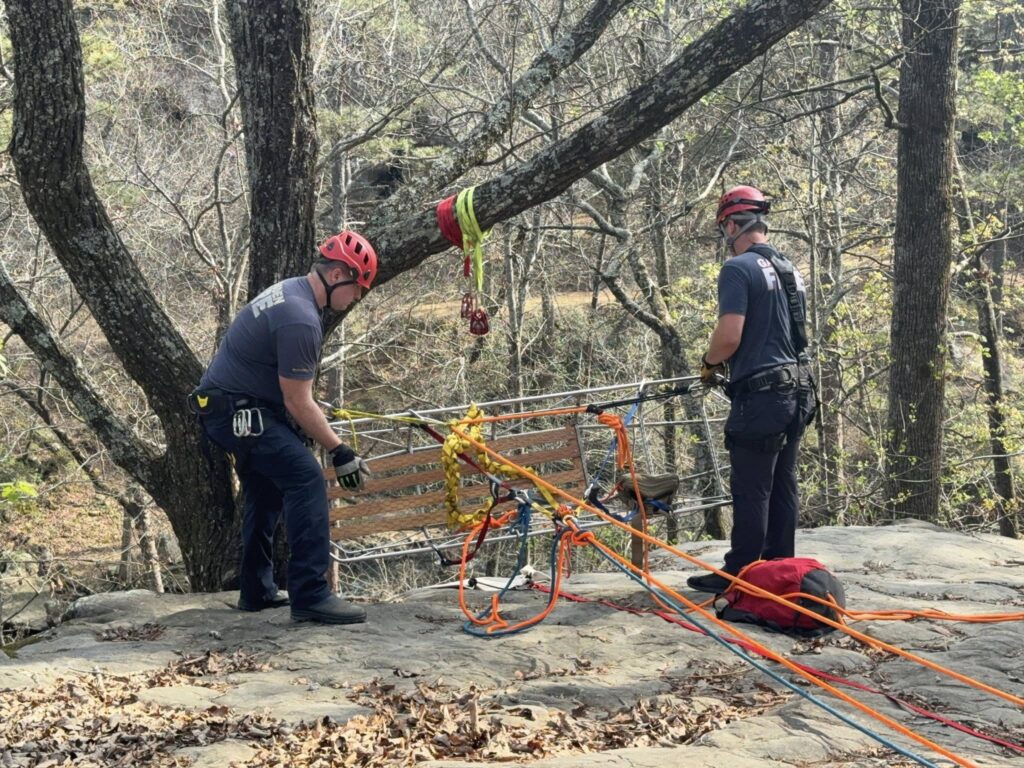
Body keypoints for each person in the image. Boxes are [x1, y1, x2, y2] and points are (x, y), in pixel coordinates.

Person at [189, 231, 377, 624]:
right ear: (339, 273)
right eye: (358, 288)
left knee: (267, 485)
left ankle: (256, 590)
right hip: (240, 412)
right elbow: (298, 401)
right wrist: (340, 451)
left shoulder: (291, 292)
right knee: (307, 478)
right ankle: (311, 594)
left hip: (233, 409)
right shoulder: (301, 318)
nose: (357, 298)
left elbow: (292, 395)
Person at [688, 186, 816, 594]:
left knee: (752, 487)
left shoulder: (738, 269)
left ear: (731, 224)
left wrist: (709, 364)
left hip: (762, 395)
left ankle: (740, 574)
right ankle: (780, 570)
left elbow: (729, 335)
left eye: (724, 225)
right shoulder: (788, 267)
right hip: (798, 388)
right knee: (783, 483)